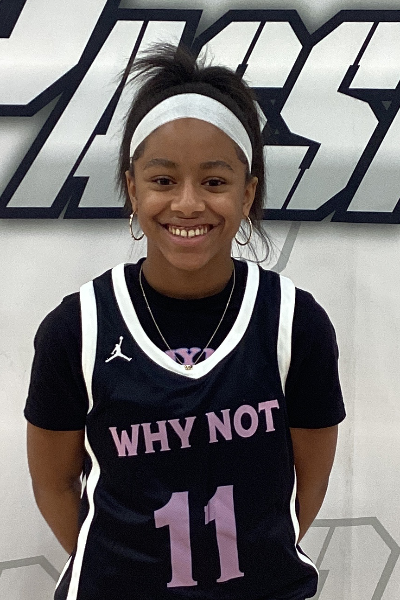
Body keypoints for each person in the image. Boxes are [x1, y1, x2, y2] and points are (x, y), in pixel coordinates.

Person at [25, 44, 345, 600]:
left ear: (248, 192)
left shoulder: (296, 324)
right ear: (133, 188)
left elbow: (305, 490)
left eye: (215, 182)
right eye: (163, 180)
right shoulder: (76, 330)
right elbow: (54, 485)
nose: (188, 204)